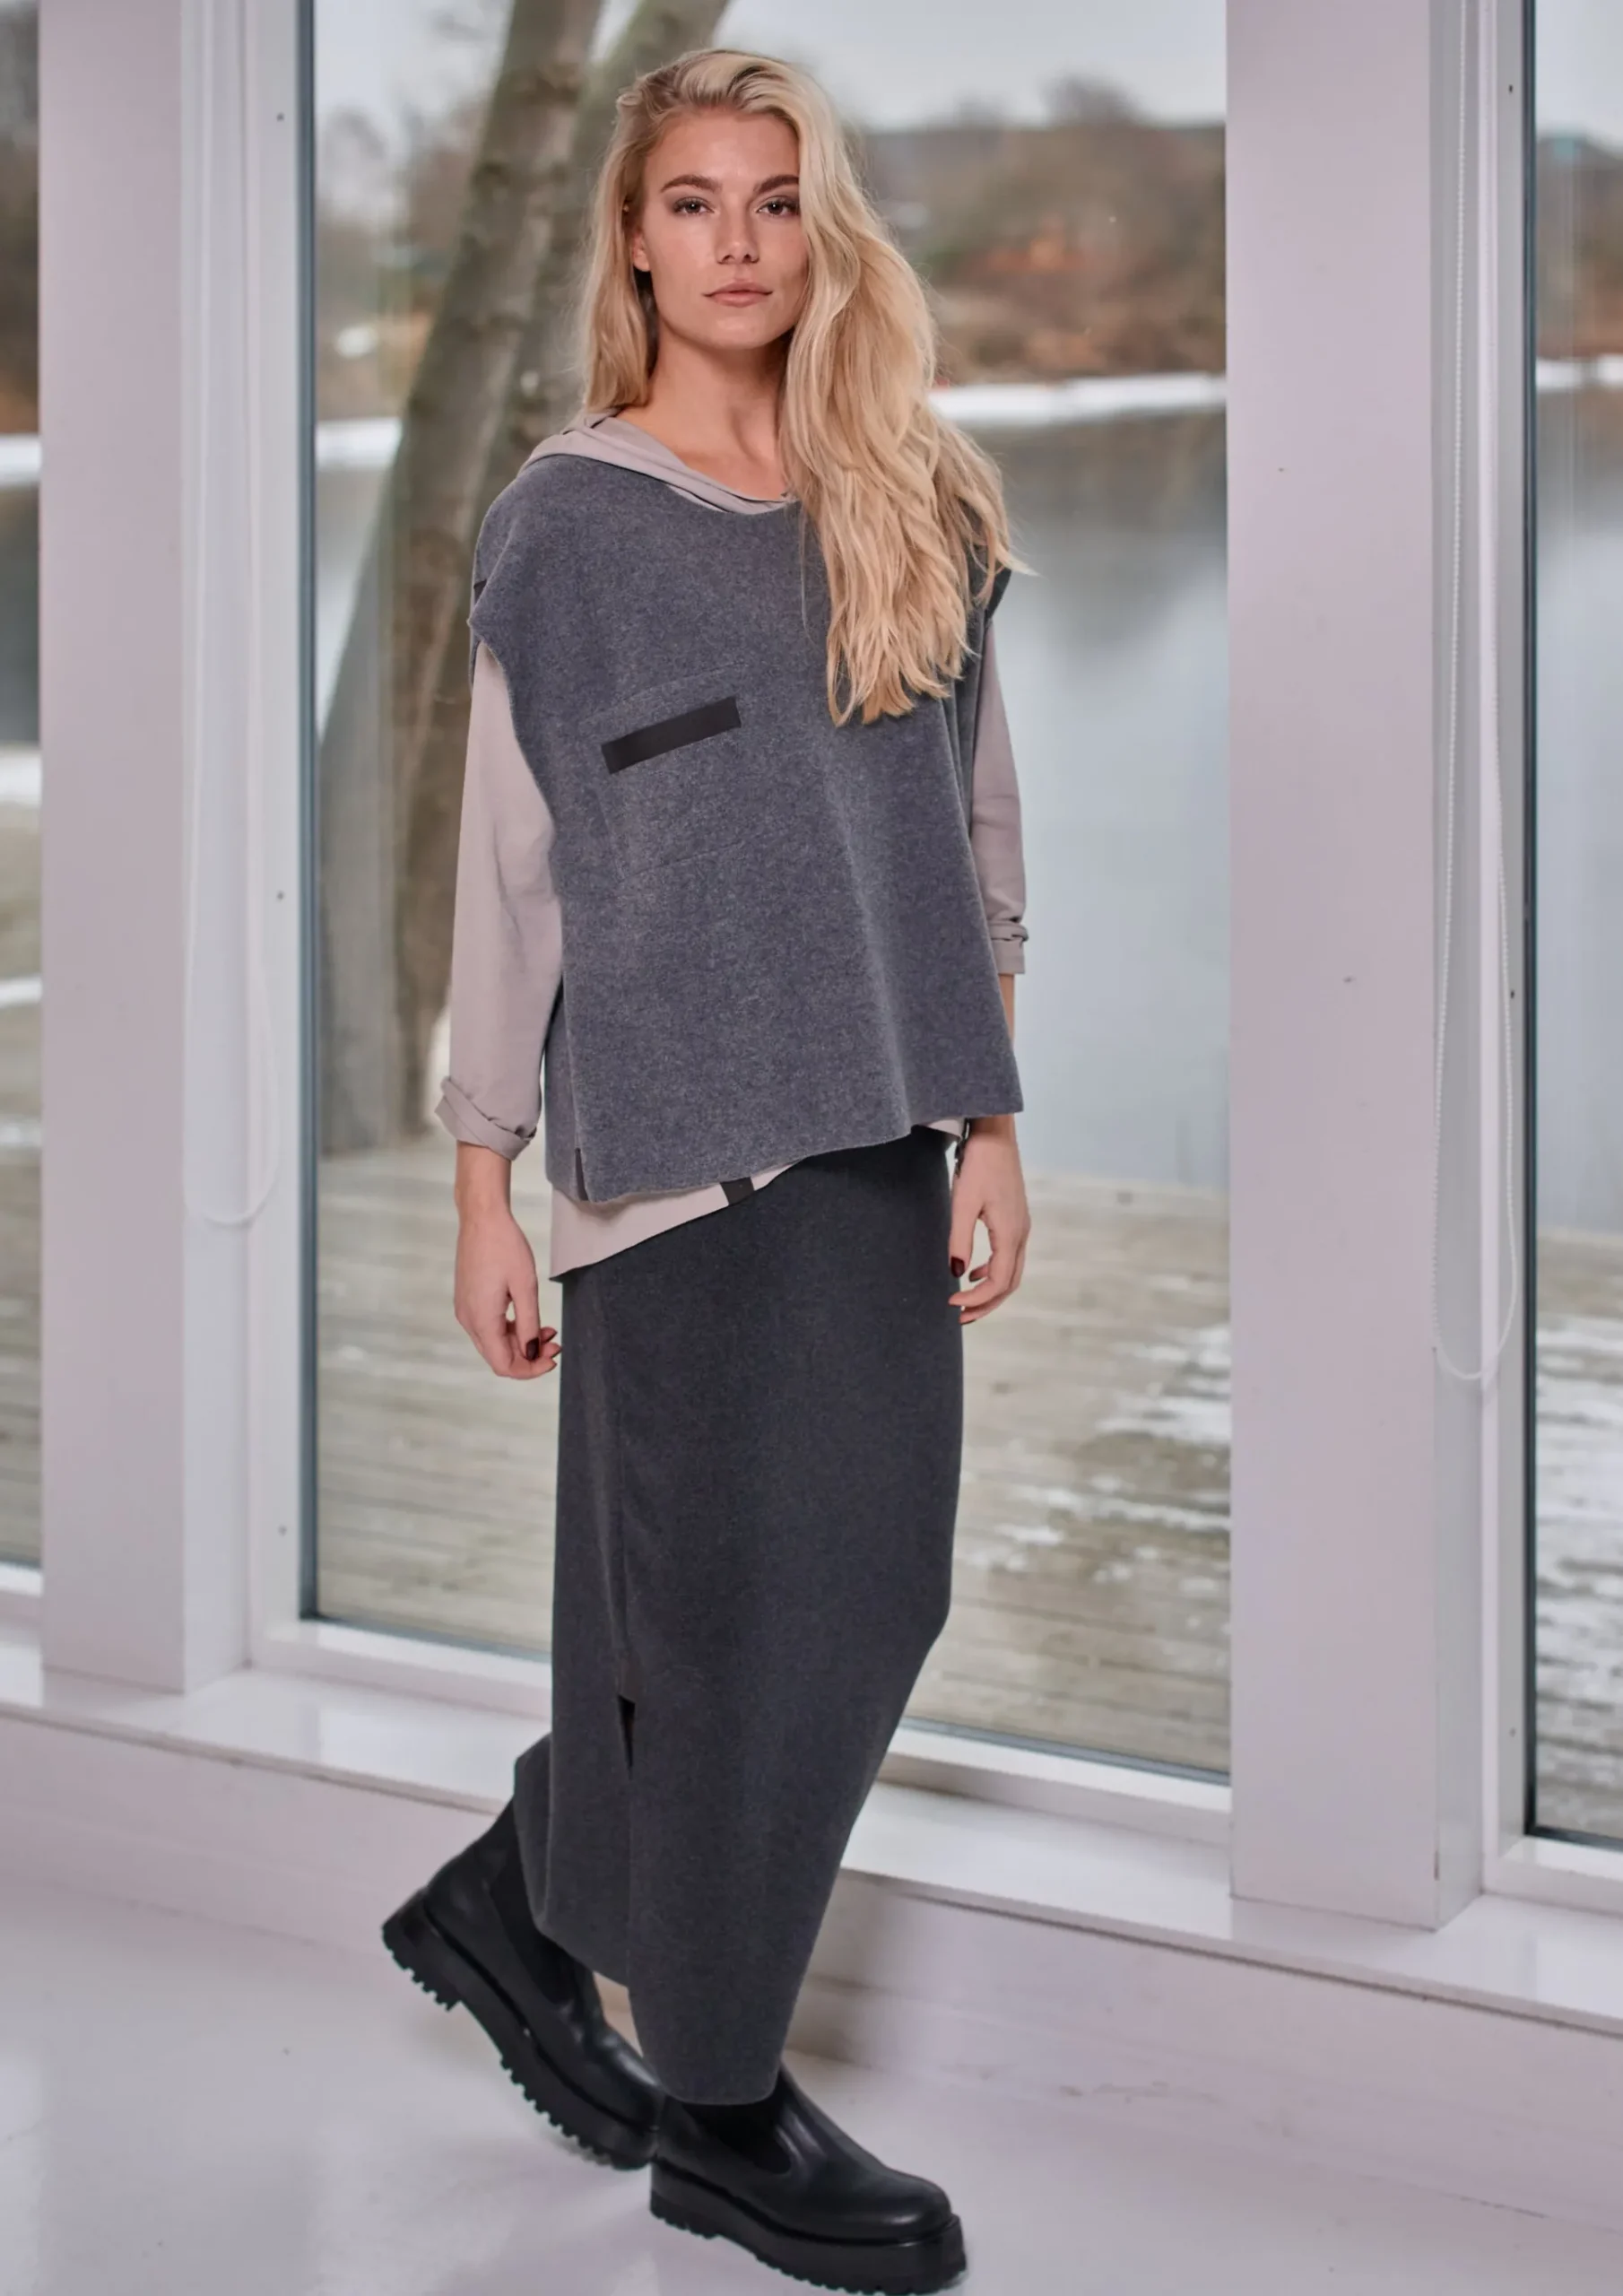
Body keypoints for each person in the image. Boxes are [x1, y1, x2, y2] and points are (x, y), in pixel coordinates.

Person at [382, 46, 1030, 2295]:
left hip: (882, 1123)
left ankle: (532, 1884)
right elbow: (510, 872)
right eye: (690, 201)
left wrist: (990, 1119)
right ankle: (722, 2105)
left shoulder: (913, 493)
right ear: (634, 241)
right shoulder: (568, 523)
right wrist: (480, 1175)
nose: (735, 242)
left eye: (771, 199)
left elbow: (972, 834)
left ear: (816, 228)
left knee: (866, 1590)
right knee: (722, 1624)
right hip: (668, 1167)